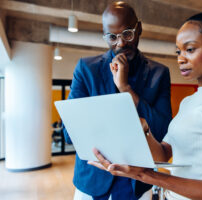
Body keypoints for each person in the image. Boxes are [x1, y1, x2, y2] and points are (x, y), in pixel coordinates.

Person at [88, 12, 202, 200]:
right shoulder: (189, 102)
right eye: (178, 51)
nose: (181, 59)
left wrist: (143, 174)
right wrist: (144, 132)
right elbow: (164, 153)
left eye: (190, 49)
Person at [63, 1, 172, 200]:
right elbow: (69, 134)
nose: (120, 43)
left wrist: (126, 89)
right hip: (92, 182)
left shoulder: (159, 73)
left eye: (127, 34)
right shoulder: (87, 69)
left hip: (137, 184)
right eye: (112, 37)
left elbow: (163, 131)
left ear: (139, 29)